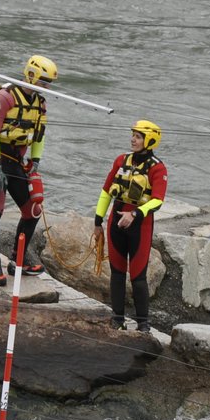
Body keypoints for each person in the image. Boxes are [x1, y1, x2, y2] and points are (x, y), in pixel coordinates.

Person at [0, 55, 56, 286]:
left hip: (18, 160)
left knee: (33, 210)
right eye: (43, 82)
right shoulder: (5, 97)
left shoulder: (40, 103)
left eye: (48, 84)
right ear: (31, 75)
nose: (46, 87)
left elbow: (39, 135)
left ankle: (18, 261)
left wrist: (36, 160)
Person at [92, 119, 167, 332]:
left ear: (149, 140)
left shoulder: (157, 168)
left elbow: (158, 200)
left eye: (138, 136)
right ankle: (118, 319)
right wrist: (98, 221)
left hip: (139, 226)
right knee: (117, 272)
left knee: (138, 276)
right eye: (133, 135)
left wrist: (135, 213)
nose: (133, 139)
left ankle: (143, 323)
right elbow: (106, 191)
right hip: (116, 223)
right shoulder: (120, 160)